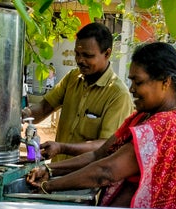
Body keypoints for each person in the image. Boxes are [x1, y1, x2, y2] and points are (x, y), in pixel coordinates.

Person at [26, 42, 176, 209]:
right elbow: (99, 155)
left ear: (165, 82)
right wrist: (49, 169)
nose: (131, 89)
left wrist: (48, 186)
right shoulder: (141, 117)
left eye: (138, 82)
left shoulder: (168, 125)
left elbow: (106, 171)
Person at [21, 22, 134, 162]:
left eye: (87, 55)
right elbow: (44, 107)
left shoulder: (118, 95)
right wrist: (23, 115)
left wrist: (62, 148)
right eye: (77, 54)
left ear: (107, 53)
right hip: (56, 172)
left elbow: (106, 146)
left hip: (85, 180)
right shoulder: (72, 78)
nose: (80, 60)